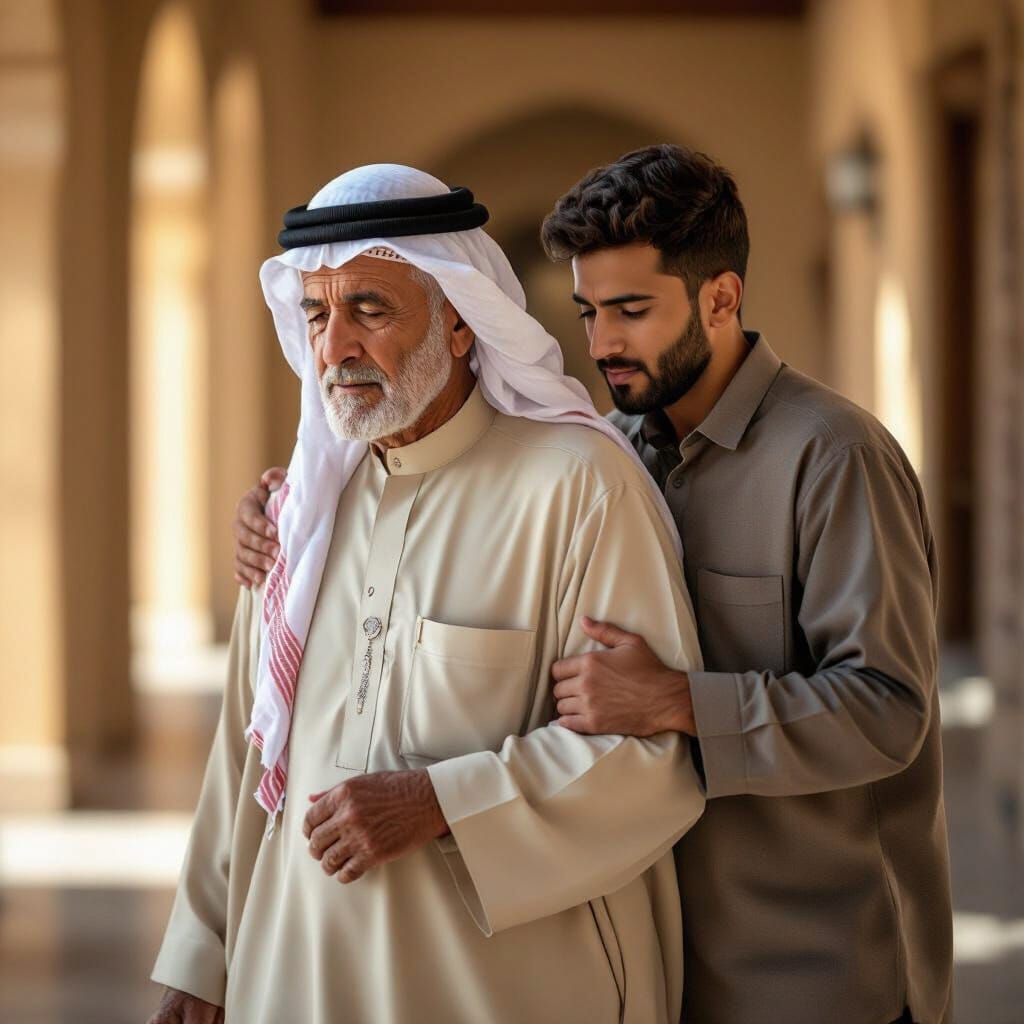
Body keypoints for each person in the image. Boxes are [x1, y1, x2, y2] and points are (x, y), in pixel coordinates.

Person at [236, 145, 953, 1024]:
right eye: (588, 311)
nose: (602, 341)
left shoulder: (834, 457)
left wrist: (682, 702)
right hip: (675, 949)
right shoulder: (611, 450)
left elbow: (890, 710)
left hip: (815, 962)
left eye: (632, 310)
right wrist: (288, 518)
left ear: (720, 298)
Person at [149, 163, 705, 1024]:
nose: (335, 346)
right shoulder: (300, 513)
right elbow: (247, 753)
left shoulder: (578, 488)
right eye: (317, 313)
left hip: (503, 991)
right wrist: (200, 958)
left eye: (370, 308)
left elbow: (653, 761)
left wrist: (442, 804)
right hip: (293, 979)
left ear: (459, 321)